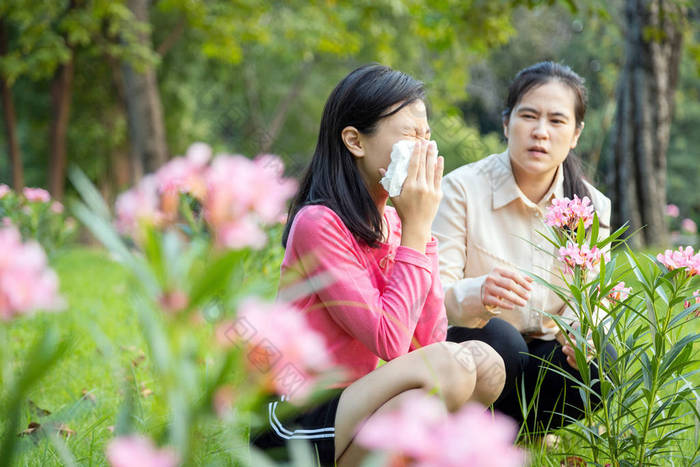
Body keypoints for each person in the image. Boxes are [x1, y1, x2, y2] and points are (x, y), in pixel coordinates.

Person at [251, 64, 505, 466]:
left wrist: (420, 234)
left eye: (426, 136)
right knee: (452, 367)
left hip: (356, 401)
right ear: (355, 141)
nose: (423, 149)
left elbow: (425, 342)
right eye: (408, 135)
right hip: (293, 417)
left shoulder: (397, 222)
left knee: (485, 364)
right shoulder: (319, 223)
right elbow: (389, 340)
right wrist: (418, 232)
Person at [432, 61, 616, 433]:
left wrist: (583, 330)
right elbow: (432, 292)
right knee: (502, 338)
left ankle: (524, 433)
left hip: (545, 354)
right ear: (506, 123)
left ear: (576, 133)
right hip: (478, 347)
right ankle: (479, 430)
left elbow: (597, 299)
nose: (540, 133)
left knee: (602, 357)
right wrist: (478, 294)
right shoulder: (461, 189)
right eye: (528, 116)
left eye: (557, 121)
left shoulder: (591, 206)